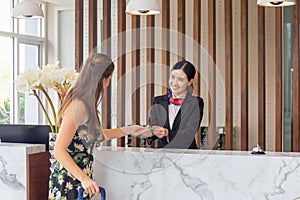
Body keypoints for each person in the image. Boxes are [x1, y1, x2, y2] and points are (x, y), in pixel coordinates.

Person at [48, 53, 167, 199]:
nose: (109, 82)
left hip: (79, 180)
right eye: (110, 77)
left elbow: (94, 135)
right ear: (103, 79)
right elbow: (59, 150)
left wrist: (132, 130)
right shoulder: (78, 105)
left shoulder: (85, 102)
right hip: (69, 181)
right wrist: (84, 179)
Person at [147, 60, 204, 149]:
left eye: (180, 79)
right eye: (172, 77)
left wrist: (167, 133)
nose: (174, 83)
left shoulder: (196, 103)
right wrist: (150, 131)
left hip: (187, 155)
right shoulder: (158, 101)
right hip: (162, 155)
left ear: (190, 82)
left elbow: (190, 132)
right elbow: (154, 126)